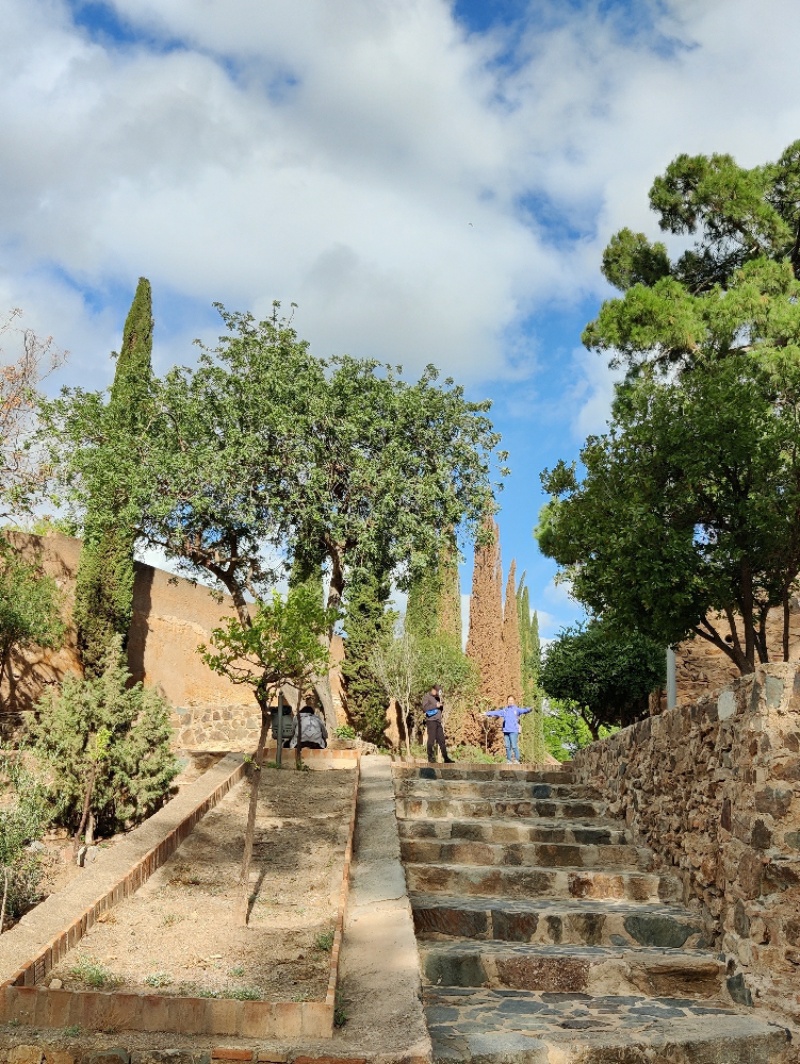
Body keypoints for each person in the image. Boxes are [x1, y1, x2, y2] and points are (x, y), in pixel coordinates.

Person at [484, 696, 532, 764]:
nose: (510, 701)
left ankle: (517, 760)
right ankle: (509, 760)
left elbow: (524, 710)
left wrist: (529, 709)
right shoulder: (505, 710)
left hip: (514, 731)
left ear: (514, 701)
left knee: (514, 746)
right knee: (507, 746)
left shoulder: (517, 710)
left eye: (512, 700)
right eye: (509, 700)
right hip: (506, 731)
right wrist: (487, 713)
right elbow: (497, 712)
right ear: (507, 701)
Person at [421, 684, 454, 764]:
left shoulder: (437, 697)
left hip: (438, 722)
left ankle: (446, 758)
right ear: (432, 689)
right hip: (431, 721)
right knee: (431, 740)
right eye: (436, 691)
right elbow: (425, 708)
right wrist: (435, 705)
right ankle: (430, 758)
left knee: (442, 740)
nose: (436, 693)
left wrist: (441, 706)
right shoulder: (426, 697)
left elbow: (440, 709)